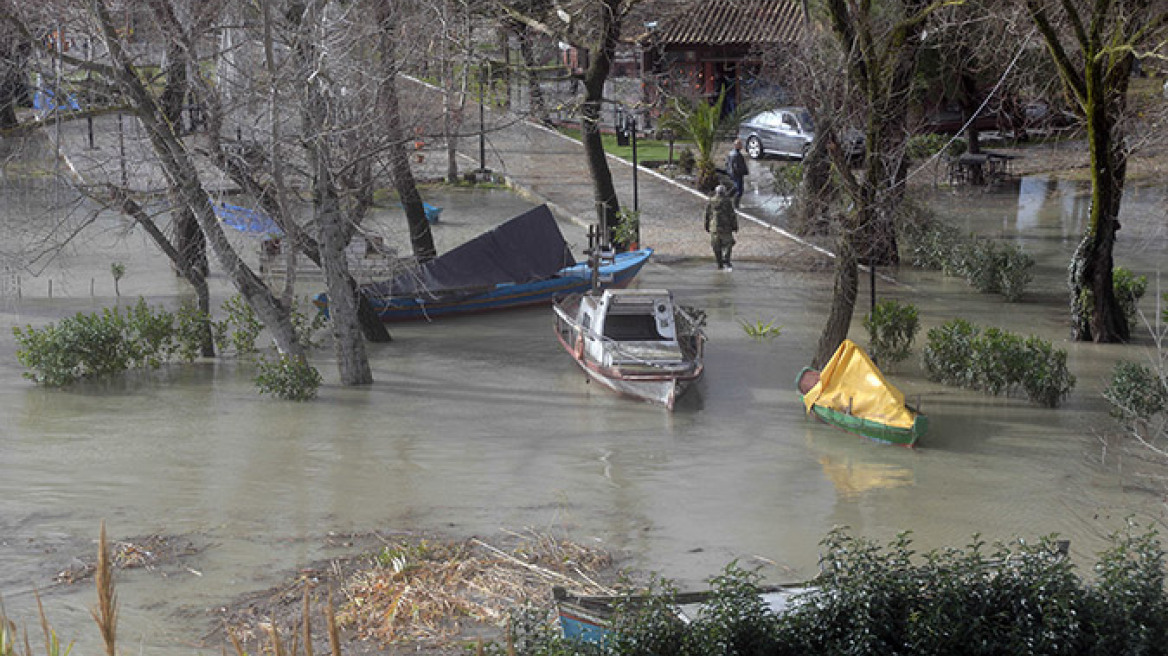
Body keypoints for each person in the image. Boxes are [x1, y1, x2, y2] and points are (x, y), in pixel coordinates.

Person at [704, 184, 738, 270]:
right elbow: (732, 215)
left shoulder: (711, 201)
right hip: (726, 227)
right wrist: (735, 226)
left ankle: (719, 263)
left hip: (714, 227)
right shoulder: (728, 201)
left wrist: (706, 226)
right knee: (728, 244)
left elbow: (707, 215)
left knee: (716, 246)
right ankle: (726, 259)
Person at [726, 138, 749, 208]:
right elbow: (737, 166)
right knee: (740, 190)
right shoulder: (737, 155)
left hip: (732, 173)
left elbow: (727, 163)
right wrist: (744, 172)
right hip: (737, 174)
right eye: (740, 144)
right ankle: (735, 204)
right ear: (736, 145)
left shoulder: (731, 153)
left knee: (736, 187)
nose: (741, 146)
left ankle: (727, 198)